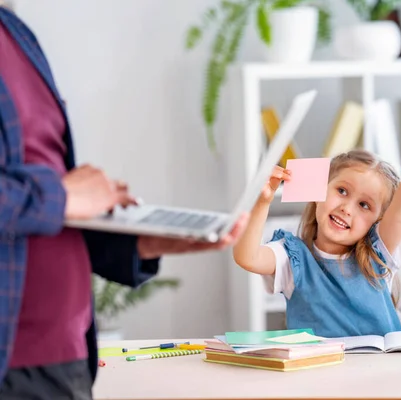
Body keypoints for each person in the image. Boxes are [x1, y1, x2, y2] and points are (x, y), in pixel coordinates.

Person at [0, 6, 248, 399]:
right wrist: (63, 194)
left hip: (63, 355)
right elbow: (55, 198)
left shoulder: (15, 31)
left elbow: (43, 214)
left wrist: (133, 243)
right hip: (13, 362)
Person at [233, 140, 401, 338]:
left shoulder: (378, 252)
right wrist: (261, 202)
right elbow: (248, 258)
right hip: (318, 373)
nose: (346, 208)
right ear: (319, 191)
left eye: (364, 205)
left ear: (377, 220)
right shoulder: (292, 257)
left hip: (381, 371)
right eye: (342, 191)